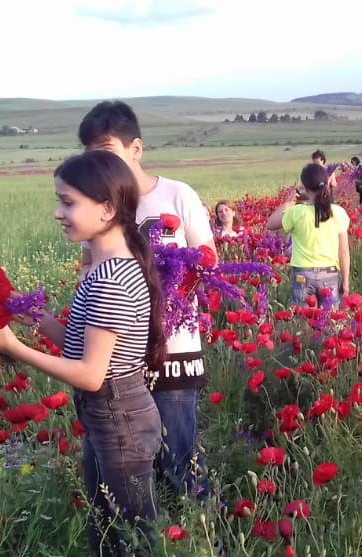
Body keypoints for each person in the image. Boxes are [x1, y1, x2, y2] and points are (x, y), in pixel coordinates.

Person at [0, 150, 166, 557]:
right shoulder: (107, 266)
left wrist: (14, 349)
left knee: (129, 541)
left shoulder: (110, 276)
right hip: (112, 415)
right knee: (110, 535)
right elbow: (82, 345)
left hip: (119, 416)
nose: (58, 213)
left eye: (68, 202)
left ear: (106, 208)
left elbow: (89, 373)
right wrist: (26, 314)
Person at [78, 100, 214, 503]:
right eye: (90, 156)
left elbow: (206, 259)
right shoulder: (99, 206)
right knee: (129, 464)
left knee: (178, 458)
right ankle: (151, 541)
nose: (97, 164)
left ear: (135, 149)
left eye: (105, 152)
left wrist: (164, 290)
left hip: (174, 348)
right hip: (118, 357)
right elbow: (89, 269)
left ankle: (203, 536)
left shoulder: (177, 194)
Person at [265, 162, 351, 309]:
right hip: (329, 273)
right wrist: (345, 281)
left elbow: (270, 224)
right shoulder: (338, 212)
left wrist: (288, 202)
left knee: (304, 321)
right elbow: (343, 252)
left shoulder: (296, 212)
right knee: (330, 320)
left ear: (304, 186)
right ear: (326, 183)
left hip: (302, 274)